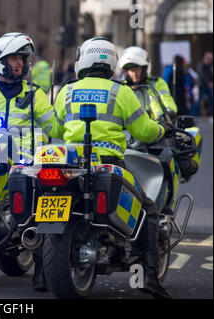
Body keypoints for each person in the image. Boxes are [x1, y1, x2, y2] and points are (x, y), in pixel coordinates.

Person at [50, 37, 172, 299]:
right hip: (108, 163)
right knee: (148, 210)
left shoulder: (67, 91)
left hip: (72, 164)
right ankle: (150, 275)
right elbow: (144, 130)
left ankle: (41, 272)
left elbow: (56, 129)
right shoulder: (121, 92)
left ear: (82, 60)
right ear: (110, 62)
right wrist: (162, 129)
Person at [0, 32, 55, 290]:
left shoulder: (34, 95)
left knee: (43, 204)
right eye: (15, 58)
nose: (20, 64)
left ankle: (41, 267)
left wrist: (71, 120)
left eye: (23, 59)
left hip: (25, 161)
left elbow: (55, 127)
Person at [118, 46, 178, 121]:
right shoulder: (121, 87)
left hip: (156, 127)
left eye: (137, 69)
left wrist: (167, 113)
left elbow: (167, 100)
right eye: (131, 70)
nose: (134, 74)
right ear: (126, 72)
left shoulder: (156, 83)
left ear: (144, 69)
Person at [193, 52, 213, 116]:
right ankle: (195, 114)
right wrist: (208, 82)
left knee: (211, 99)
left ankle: (210, 112)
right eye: (210, 59)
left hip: (208, 86)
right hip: (202, 86)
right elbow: (203, 76)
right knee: (199, 100)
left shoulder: (209, 66)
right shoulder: (201, 65)